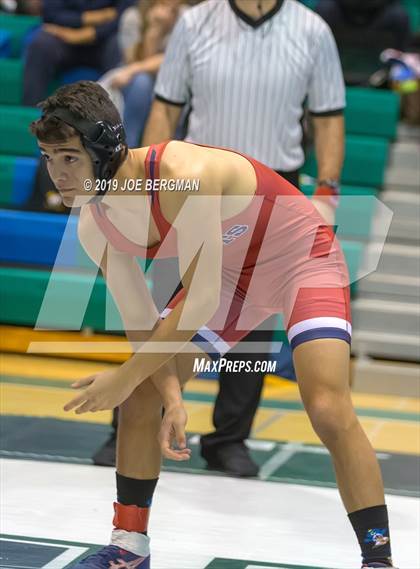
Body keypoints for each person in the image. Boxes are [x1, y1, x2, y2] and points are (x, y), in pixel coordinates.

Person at [30, 80, 396, 569]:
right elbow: (142, 327)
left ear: (105, 148)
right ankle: (128, 546)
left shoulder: (183, 172)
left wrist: (122, 377)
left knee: (327, 405)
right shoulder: (96, 224)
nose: (57, 173)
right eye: (49, 157)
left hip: (299, 260)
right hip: (228, 279)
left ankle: (378, 557)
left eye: (70, 157)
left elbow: (197, 298)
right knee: (143, 395)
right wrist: (172, 396)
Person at [143, 0, 346, 476]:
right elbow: (165, 108)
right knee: (161, 311)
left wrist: (328, 191)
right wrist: (153, 186)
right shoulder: (195, 23)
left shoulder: (312, 30)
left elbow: (329, 117)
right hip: (193, 184)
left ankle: (228, 439)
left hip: (274, 189)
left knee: (252, 324)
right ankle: (131, 421)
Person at [101, 0, 187, 148]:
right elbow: (132, 60)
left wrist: (134, 69)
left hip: (172, 77)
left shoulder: (188, 17)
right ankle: (129, 148)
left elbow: (176, 61)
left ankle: (171, 152)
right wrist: (154, 32)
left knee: (175, 85)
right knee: (142, 82)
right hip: (138, 80)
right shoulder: (133, 17)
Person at [23, 0, 134, 107]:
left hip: (104, 40)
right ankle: (30, 113)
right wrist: (98, 16)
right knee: (40, 43)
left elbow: (124, 15)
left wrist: (89, 34)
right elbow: (51, 13)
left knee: (119, 44)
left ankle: (114, 119)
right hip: (64, 36)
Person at [315, 0, 411, 52]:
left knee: (400, 17)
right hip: (343, 10)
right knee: (324, 8)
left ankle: (398, 71)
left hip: (378, 11)